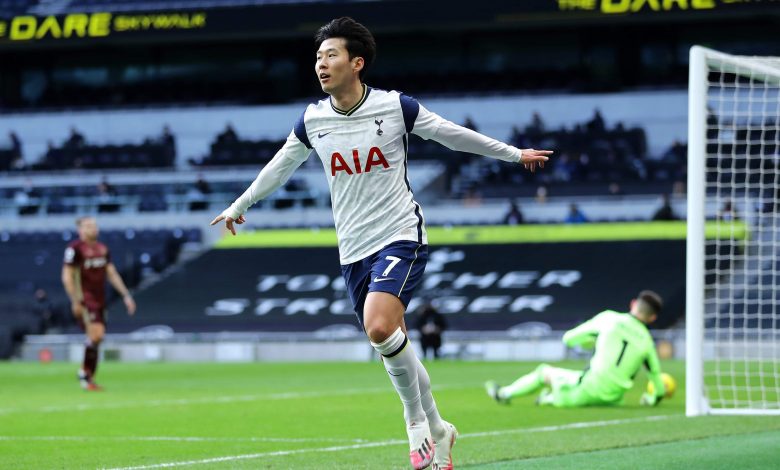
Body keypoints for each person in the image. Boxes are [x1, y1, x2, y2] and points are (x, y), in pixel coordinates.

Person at [210, 17, 552, 470]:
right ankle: (440, 429)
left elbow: (451, 134)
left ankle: (414, 421)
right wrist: (239, 205)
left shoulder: (394, 107)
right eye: (317, 57)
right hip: (352, 249)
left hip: (400, 234)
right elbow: (279, 166)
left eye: (331, 55)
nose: (321, 64)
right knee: (392, 340)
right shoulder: (313, 119)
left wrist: (513, 154)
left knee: (377, 326)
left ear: (357, 62)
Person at [485, 290, 667, 408]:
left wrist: (590, 340)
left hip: (587, 390)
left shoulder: (609, 319)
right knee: (575, 381)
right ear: (653, 318)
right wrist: (650, 400)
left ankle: (504, 394)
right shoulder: (647, 342)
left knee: (543, 372)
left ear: (633, 304)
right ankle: (549, 398)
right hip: (615, 399)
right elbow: (658, 385)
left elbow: (569, 339)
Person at [61, 217, 136, 391]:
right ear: (80, 230)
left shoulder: (103, 249)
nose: (93, 228)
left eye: (94, 225)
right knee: (96, 335)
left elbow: (112, 273)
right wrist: (75, 300)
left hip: (100, 298)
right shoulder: (74, 249)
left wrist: (126, 295)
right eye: (88, 226)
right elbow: (67, 276)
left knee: (97, 338)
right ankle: (85, 373)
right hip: (85, 299)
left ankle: (87, 375)